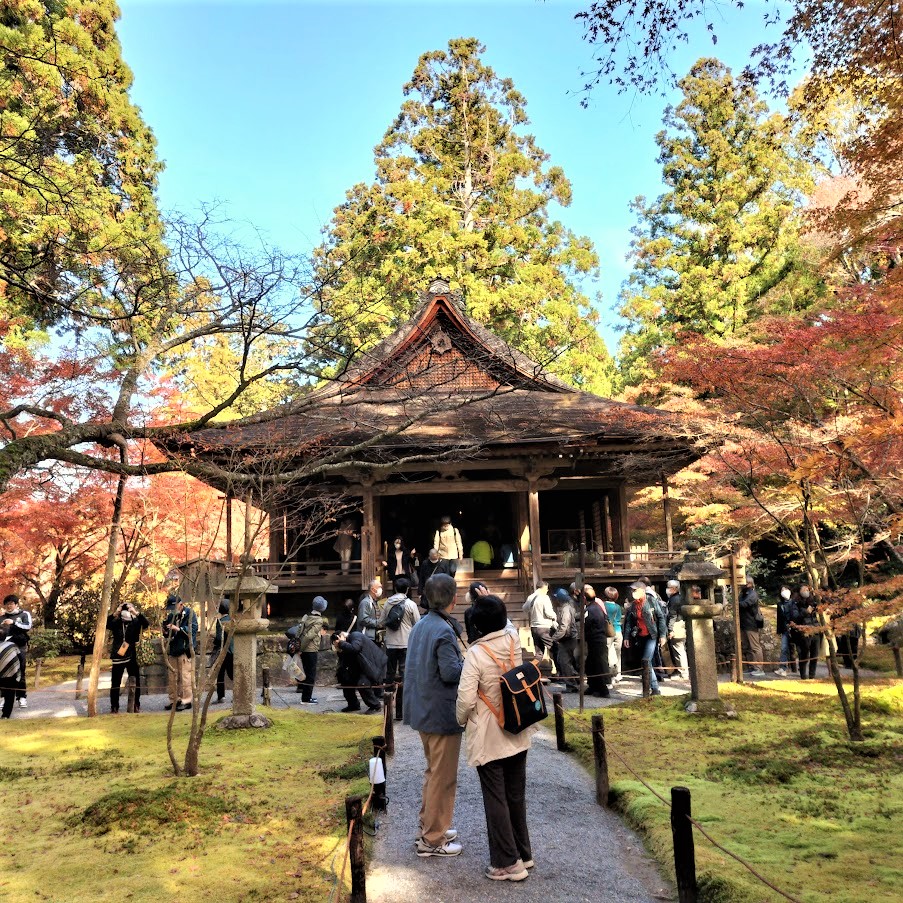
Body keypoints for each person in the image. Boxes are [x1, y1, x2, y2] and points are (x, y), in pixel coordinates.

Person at [456, 594, 536, 882]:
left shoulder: (476, 655)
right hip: (516, 722)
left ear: (477, 625)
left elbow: (465, 700)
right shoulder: (513, 641)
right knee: (515, 794)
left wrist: (461, 720)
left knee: (495, 798)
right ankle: (523, 853)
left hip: (490, 731)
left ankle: (506, 862)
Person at [403, 572, 465, 858]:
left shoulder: (421, 625)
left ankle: (429, 825)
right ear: (453, 599)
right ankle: (433, 839)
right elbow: (452, 672)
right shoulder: (443, 630)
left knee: (433, 772)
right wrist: (472, 663)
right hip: (440, 712)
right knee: (443, 776)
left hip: (422, 709)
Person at [622, 581, 667, 695]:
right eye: (632, 590)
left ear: (642, 591)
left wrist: (662, 635)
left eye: (635, 590)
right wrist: (626, 637)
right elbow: (629, 622)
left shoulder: (652, 601)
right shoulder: (633, 605)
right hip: (640, 636)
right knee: (647, 660)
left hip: (651, 635)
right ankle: (651, 687)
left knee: (646, 660)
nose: (633, 592)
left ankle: (654, 688)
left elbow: (661, 617)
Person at [106, 599, 149, 714]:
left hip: (132, 655)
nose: (126, 610)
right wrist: (116, 612)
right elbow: (106, 624)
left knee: (135, 681)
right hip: (117, 655)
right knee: (115, 682)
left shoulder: (135, 622)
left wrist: (135, 612)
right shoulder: (116, 622)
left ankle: (135, 704)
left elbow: (146, 624)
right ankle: (114, 706)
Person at [378, 577, 421, 686]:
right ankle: (405, 697)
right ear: (407, 589)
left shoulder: (388, 603)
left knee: (390, 671)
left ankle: (388, 693)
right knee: (405, 671)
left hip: (391, 642)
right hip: (406, 642)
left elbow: (381, 621)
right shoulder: (411, 604)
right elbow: (418, 623)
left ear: (395, 588)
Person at [333, 628, 386, 714]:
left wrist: (342, 643)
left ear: (341, 636)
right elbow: (346, 659)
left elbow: (355, 648)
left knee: (363, 683)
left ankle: (375, 706)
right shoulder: (347, 643)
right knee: (345, 679)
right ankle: (353, 704)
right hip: (362, 667)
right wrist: (340, 650)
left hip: (373, 666)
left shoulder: (355, 635)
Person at [163, 593, 198, 711]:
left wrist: (178, 628)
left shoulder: (190, 613)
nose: (171, 611)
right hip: (173, 649)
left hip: (184, 649)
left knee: (185, 676)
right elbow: (168, 633)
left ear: (180, 605)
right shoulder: (171, 617)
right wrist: (166, 631)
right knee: (173, 676)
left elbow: (192, 630)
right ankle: (174, 699)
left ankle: (186, 700)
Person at [294, 596, 328, 703]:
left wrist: (298, 648)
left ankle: (306, 696)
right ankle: (306, 698)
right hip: (310, 650)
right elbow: (309, 636)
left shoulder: (306, 617)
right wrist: (301, 648)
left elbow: (299, 632)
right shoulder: (318, 621)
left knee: (307, 674)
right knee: (311, 675)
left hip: (304, 649)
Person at [1, 594, 32, 708]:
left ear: (16, 604)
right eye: (7, 604)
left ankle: (22, 697)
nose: (9, 606)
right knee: (4, 673)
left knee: (20, 671)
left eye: (11, 604)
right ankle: (4, 698)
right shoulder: (2, 617)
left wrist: (13, 623)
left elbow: (28, 626)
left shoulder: (24, 614)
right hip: (5, 649)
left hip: (19, 646)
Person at [583, 585, 611, 697]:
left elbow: (587, 625)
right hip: (600, 638)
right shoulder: (598, 607)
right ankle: (593, 686)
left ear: (585, 599)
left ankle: (603, 690)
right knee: (591, 664)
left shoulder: (589, 610)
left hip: (595, 640)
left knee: (597, 665)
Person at [549, 588, 579, 692]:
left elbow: (564, 627)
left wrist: (554, 638)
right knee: (567, 662)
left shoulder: (566, 609)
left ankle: (571, 685)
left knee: (564, 662)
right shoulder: (568, 607)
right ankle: (574, 681)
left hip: (567, 639)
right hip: (569, 638)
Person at [789, 584, 819, 680]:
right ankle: (803, 675)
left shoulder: (813, 601)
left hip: (815, 630)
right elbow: (795, 617)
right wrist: (806, 612)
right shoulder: (795, 603)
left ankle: (812, 675)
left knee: (815, 655)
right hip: (804, 632)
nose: (806, 591)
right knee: (804, 654)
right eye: (804, 589)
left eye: (807, 589)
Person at [739, 577, 766, 677]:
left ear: (749, 584)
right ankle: (751, 666)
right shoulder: (742, 594)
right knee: (747, 647)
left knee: (755, 646)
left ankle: (759, 668)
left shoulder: (752, 594)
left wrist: (735, 604)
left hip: (752, 624)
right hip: (743, 623)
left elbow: (745, 604)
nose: (742, 585)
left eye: (744, 583)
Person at [522, 582, 557, 660]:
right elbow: (549, 613)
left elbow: (524, 608)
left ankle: (535, 671)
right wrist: (554, 616)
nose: (547, 590)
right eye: (547, 588)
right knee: (555, 649)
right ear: (543, 588)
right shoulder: (545, 598)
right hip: (544, 627)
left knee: (538, 653)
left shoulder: (530, 597)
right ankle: (561, 671)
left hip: (534, 627)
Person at [664, 580, 689, 680]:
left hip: (676, 625)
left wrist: (670, 629)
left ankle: (683, 673)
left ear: (674, 588)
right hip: (681, 623)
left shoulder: (674, 600)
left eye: (669, 587)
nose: (667, 589)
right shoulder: (680, 598)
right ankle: (682, 671)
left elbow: (672, 615)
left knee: (679, 649)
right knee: (680, 649)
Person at [212, 597, 234, 703]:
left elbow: (218, 638)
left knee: (220, 673)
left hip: (223, 651)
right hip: (233, 650)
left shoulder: (220, 622)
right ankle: (238, 694)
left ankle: (221, 696)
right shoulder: (233, 620)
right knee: (233, 674)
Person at [0, 633, 26, 719]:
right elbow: (21, 659)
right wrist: (20, 673)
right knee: (9, 695)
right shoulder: (12, 645)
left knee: (8, 693)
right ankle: (6, 715)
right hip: (12, 673)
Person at [603, 587, 624, 684]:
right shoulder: (618, 607)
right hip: (618, 631)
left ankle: (611, 676)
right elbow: (619, 618)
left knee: (609, 655)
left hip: (608, 632)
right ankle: (618, 674)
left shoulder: (603, 605)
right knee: (618, 654)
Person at [775, 585, 796, 677]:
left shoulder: (794, 602)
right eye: (782, 590)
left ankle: (794, 668)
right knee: (784, 648)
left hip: (794, 628)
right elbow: (779, 619)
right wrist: (779, 630)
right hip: (784, 629)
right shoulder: (780, 604)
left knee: (794, 649)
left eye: (786, 589)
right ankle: (783, 667)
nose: (784, 591)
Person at [357, 578, 383, 644]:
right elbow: (363, 619)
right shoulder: (365, 602)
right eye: (379, 587)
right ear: (372, 589)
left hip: (374, 636)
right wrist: (378, 623)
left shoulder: (375, 601)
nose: (381, 589)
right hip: (367, 637)